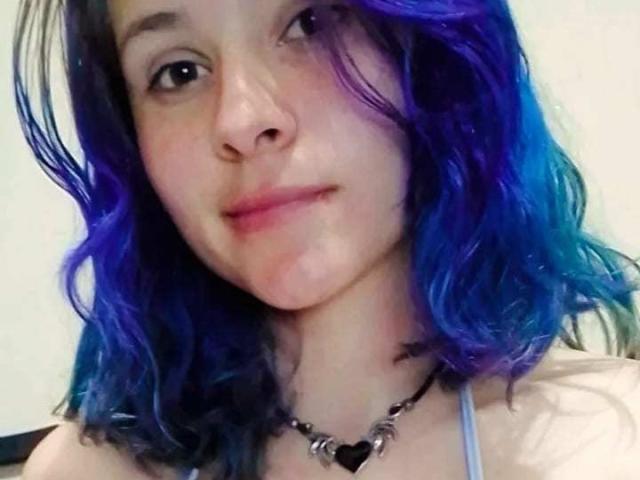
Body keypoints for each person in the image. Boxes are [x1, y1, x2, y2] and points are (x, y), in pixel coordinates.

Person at [13, 0, 640, 479]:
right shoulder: (88, 472)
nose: (241, 120)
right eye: (179, 72)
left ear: (434, 51)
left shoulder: (608, 441)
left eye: (309, 23)